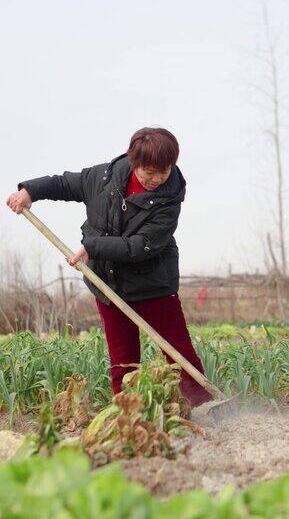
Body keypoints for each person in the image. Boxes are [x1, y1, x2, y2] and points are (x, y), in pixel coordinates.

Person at [6, 126, 213, 409]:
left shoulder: (169, 200)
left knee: (179, 354)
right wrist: (30, 191)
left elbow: (140, 246)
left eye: (163, 172)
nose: (156, 179)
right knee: (123, 361)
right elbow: (65, 184)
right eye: (148, 172)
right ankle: (128, 416)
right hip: (108, 284)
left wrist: (93, 247)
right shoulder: (104, 178)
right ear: (134, 161)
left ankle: (204, 407)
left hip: (154, 284)